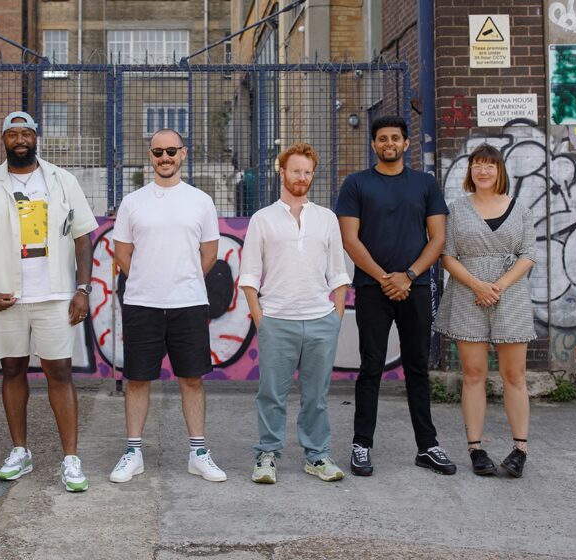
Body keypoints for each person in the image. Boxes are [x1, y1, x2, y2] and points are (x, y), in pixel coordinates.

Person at [0, 111, 96, 492]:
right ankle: (21, 452)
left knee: (60, 373)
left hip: (54, 296)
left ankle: (70, 459)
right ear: (3, 140)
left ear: (37, 137)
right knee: (12, 372)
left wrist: (83, 289)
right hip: (7, 297)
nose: (20, 140)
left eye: (26, 133)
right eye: (12, 134)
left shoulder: (62, 181)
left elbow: (83, 237)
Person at [336, 115, 457, 477]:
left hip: (415, 288)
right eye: (382, 138)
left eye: (396, 138)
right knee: (370, 367)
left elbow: (437, 238)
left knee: (417, 367)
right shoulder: (356, 184)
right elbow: (350, 239)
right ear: (373, 145)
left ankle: (427, 446)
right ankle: (361, 445)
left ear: (406, 144)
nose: (389, 143)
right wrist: (384, 277)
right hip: (373, 289)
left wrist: (408, 276)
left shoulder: (424, 184)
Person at [109, 128, 227, 484]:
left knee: (191, 379)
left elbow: (209, 253)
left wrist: (181, 278)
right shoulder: (133, 202)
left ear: (183, 154)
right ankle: (133, 453)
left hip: (188, 303)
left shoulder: (201, 201)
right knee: (138, 380)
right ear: (150, 156)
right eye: (158, 152)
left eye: (171, 151)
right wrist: (149, 279)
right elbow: (122, 253)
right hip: (142, 303)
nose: (165, 158)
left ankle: (198, 453)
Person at [239, 143, 352, 484]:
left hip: (321, 321)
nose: (301, 177)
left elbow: (338, 273)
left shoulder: (326, 218)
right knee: (271, 394)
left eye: (307, 172)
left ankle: (317, 456)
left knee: (316, 396)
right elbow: (248, 276)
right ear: (282, 172)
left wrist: (336, 317)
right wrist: (262, 320)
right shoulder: (263, 219)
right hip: (277, 320)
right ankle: (267, 455)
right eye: (296, 171)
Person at [433, 144, 536, 477]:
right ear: (470, 171)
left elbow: (529, 254)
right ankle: (476, 449)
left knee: (514, 376)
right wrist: (478, 285)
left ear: (499, 171)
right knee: (474, 374)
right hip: (468, 295)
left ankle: (520, 450)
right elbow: (446, 255)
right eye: (476, 164)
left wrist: (499, 286)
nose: (483, 170)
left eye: (489, 165)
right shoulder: (457, 209)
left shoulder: (519, 208)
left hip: (511, 296)